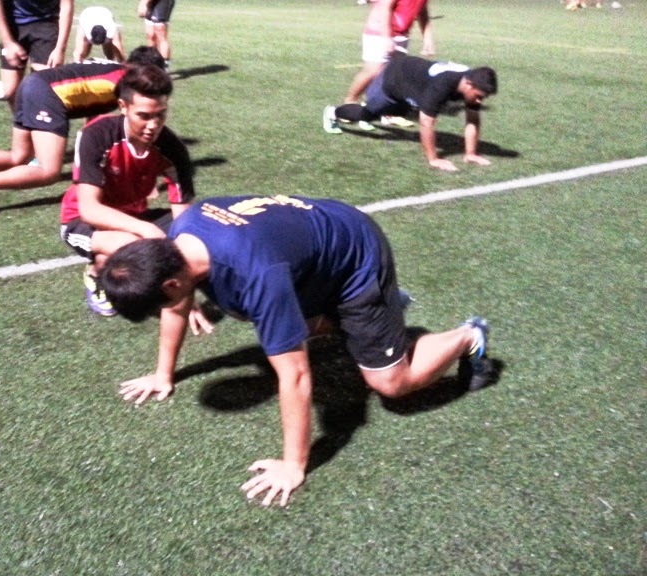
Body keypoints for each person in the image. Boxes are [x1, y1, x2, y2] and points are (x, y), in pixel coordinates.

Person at [99, 194, 493, 507]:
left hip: (356, 254)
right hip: (311, 248)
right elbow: (178, 303)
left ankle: (467, 336)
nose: (167, 309)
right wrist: (163, 374)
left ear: (170, 284)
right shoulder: (179, 239)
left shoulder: (255, 275)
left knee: (391, 383)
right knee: (264, 314)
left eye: (160, 304)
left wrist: (293, 465)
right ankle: (380, 312)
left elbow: (297, 375)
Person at [0, 46, 167, 220]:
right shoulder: (125, 85)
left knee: (19, 156)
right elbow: (131, 135)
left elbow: (94, 122)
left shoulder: (114, 71)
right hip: (49, 95)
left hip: (35, 84)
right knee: (48, 171)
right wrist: (146, 182)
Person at [59, 64, 194, 316]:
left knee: (196, 236)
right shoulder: (97, 135)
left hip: (135, 216)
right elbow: (89, 209)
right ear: (123, 106)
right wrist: (148, 231)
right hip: (80, 221)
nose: (153, 125)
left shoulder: (172, 148)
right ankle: (96, 272)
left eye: (161, 115)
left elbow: (184, 218)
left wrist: (187, 284)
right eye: (144, 116)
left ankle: (118, 263)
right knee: (133, 246)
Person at [323, 52, 498, 172]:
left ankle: (386, 110)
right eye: (478, 96)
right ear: (468, 84)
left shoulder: (471, 81)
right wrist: (434, 159)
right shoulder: (443, 85)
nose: (479, 101)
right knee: (366, 115)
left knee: (404, 110)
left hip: (413, 84)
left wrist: (470, 154)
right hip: (394, 79)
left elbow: (472, 119)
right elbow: (426, 122)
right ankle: (332, 113)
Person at [342, 0, 441, 117]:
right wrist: (387, 36)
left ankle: (387, 113)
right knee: (373, 70)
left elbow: (422, 11)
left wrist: (427, 37)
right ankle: (349, 103)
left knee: (394, 76)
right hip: (379, 32)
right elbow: (384, 7)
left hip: (401, 34)